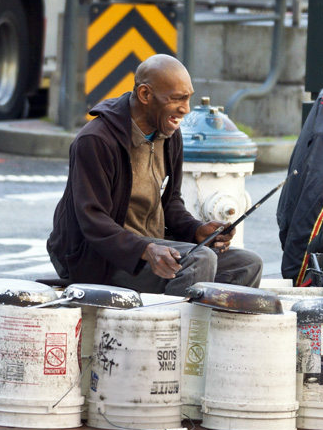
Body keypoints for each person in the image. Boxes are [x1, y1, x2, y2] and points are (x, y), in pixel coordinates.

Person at [47, 54, 263, 296]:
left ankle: (213, 332)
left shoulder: (170, 133)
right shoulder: (96, 140)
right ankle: (173, 332)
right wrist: (146, 248)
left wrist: (196, 230)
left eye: (188, 98)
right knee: (200, 261)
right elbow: (93, 221)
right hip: (100, 258)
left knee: (248, 264)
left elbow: (170, 203)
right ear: (145, 95)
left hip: (149, 247)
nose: (186, 109)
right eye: (176, 99)